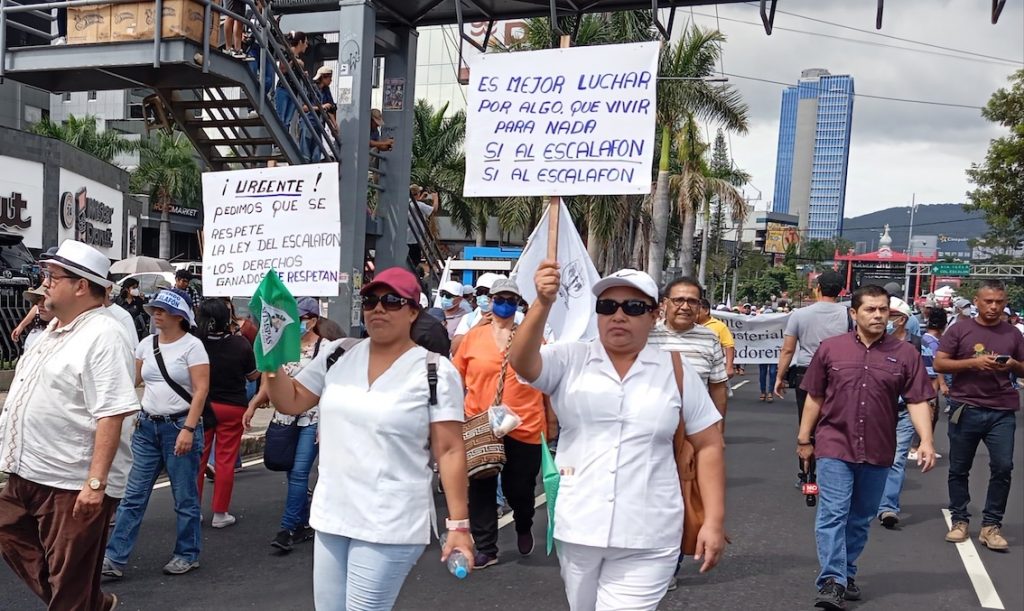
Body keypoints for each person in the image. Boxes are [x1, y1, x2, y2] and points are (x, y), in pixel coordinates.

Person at [509, 265, 726, 611]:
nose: (619, 316)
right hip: (579, 525)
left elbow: (709, 444)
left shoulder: (675, 370)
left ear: (654, 316)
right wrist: (543, 302)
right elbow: (521, 362)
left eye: (634, 307)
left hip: (651, 531)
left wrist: (713, 521)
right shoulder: (570, 358)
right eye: (607, 307)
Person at [262, 267, 473, 610]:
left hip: (390, 520)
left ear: (413, 311)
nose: (378, 309)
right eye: (370, 301)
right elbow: (292, 401)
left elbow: (449, 450)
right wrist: (271, 361)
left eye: (391, 301)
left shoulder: (434, 371)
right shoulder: (338, 353)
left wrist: (459, 525)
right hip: (333, 514)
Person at [0, 240, 139, 611]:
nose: (43, 283)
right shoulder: (55, 328)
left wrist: (95, 484)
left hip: (70, 481)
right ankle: (88, 603)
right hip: (28, 471)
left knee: (69, 580)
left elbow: (112, 412)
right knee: (10, 530)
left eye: (52, 276)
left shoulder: (104, 334)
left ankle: (80, 602)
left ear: (81, 285)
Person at [797, 284, 936, 609]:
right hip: (835, 444)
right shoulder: (831, 349)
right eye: (870, 309)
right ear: (853, 313)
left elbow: (917, 400)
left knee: (860, 518)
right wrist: (804, 439)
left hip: (878, 447)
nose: (877, 315)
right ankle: (832, 581)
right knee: (833, 513)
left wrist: (926, 441)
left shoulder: (906, 354)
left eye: (883, 309)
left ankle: (846, 571)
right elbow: (815, 396)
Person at [103, 289, 209, 579]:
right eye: (154, 309)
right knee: (133, 496)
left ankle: (187, 553)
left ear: (179, 316)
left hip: (179, 426)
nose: (156, 314)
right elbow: (133, 380)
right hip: (147, 427)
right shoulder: (146, 344)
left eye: (162, 310)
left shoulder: (193, 347)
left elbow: (201, 390)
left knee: (184, 497)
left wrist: (188, 428)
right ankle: (114, 557)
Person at [452, 278, 551, 569]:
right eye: (499, 299)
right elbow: (456, 378)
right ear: (491, 301)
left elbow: (547, 381)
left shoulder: (532, 338)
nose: (504, 304)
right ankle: (486, 548)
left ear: (518, 304)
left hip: (525, 425)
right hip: (481, 425)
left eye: (511, 300)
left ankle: (523, 522)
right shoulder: (473, 338)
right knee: (480, 486)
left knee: (519, 488)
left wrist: (553, 420)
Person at [245, 297, 343, 553]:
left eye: (300, 319)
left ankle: (287, 529)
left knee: (299, 472)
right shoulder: (283, 346)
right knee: (290, 472)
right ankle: (302, 521)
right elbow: (271, 380)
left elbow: (333, 387)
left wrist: (328, 423)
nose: (294, 324)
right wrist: (254, 403)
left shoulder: (327, 349)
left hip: (313, 419)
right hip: (285, 417)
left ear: (312, 320)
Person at [934, 279, 1024, 551]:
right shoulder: (959, 329)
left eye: (999, 302)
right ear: (976, 301)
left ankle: (991, 525)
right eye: (988, 301)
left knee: (1003, 467)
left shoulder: (1013, 334)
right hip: (966, 407)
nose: (994, 306)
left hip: (1002, 410)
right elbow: (940, 362)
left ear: (1005, 303)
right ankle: (960, 520)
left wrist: (1012, 364)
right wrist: (974, 362)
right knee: (959, 468)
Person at [774, 270, 849, 486]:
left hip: (806, 372)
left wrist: (780, 377)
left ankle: (806, 474)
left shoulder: (800, 314)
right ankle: (832, 472)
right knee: (836, 423)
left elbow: (788, 350)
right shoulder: (848, 315)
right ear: (841, 291)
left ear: (818, 289)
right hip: (839, 373)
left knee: (807, 423)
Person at [195, 299, 260, 529]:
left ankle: (193, 510)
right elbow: (253, 375)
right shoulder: (240, 344)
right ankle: (220, 513)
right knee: (225, 461)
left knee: (198, 461)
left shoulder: (195, 344)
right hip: (233, 407)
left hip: (202, 407)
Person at [648, 277, 728, 425]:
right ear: (665, 304)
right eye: (678, 300)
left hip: (696, 428)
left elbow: (718, 388)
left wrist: (718, 429)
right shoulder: (647, 336)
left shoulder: (710, 338)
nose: (685, 307)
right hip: (650, 427)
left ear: (699, 306)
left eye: (692, 301)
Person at [875, 297, 925, 529]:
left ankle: (887, 507)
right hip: (875, 410)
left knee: (896, 460)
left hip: (904, 410)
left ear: (902, 320)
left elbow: (923, 379)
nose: (882, 318)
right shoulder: (871, 343)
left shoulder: (915, 344)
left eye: (889, 314)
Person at [911, 308, 949, 460]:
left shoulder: (923, 339)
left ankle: (920, 447)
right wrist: (939, 387)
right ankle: (917, 447)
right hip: (928, 384)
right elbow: (935, 369)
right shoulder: (933, 344)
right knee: (928, 415)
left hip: (921, 383)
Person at [698, 298, 735, 377]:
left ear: (706, 311)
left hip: (714, 369)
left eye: (697, 309)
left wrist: (729, 367)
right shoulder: (688, 325)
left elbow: (729, 346)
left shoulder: (719, 326)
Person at [407, 185, 439, 269]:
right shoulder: (419, 205)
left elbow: (414, 204)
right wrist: (435, 198)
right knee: (414, 262)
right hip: (414, 240)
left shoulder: (406, 204)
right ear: (417, 194)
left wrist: (420, 199)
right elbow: (434, 210)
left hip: (405, 239)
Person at [16, 285, 52, 351]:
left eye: (46, 299)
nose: (40, 304)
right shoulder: (37, 333)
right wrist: (21, 326)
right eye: (39, 299)